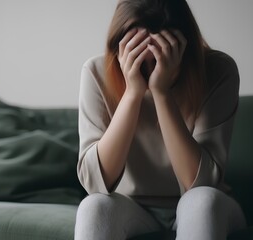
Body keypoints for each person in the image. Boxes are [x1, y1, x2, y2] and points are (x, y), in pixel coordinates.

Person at [75, 0, 247, 239]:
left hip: (206, 202)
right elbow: (94, 183)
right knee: (94, 207)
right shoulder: (96, 72)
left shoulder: (218, 70)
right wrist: (132, 93)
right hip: (131, 207)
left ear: (185, 51)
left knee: (201, 203)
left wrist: (161, 91)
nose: (150, 71)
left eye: (161, 59)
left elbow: (199, 183)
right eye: (137, 59)